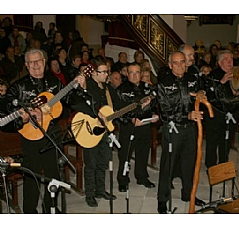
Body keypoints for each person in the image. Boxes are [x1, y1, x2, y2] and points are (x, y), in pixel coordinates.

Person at [2, 48, 86, 213]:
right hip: (30, 135)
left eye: (38, 61)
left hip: (52, 132)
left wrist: (79, 87)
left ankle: (51, 208)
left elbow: (70, 99)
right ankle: (30, 212)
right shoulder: (19, 86)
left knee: (53, 173)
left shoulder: (54, 82)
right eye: (31, 62)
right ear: (26, 65)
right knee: (31, 175)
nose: (36, 65)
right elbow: (5, 106)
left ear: (44, 62)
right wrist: (25, 115)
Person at [156, 51, 205, 214]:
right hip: (173, 129)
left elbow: (200, 93)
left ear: (186, 63)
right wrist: (187, 115)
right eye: (175, 63)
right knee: (167, 165)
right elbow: (165, 112)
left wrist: (201, 94)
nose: (179, 65)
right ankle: (162, 199)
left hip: (190, 129)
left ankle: (188, 194)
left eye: (182, 62)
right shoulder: (163, 83)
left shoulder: (193, 79)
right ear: (170, 66)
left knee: (189, 164)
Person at [68, 58, 118, 207]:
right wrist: (95, 113)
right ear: (94, 73)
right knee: (91, 164)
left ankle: (100, 190)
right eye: (103, 72)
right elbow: (75, 102)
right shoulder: (86, 86)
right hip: (89, 129)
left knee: (103, 161)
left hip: (105, 130)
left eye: (107, 72)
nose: (106, 75)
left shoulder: (107, 88)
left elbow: (117, 105)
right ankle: (90, 194)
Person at [115, 62, 158, 193]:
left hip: (144, 125)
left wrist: (153, 114)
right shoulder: (121, 90)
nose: (134, 75)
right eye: (131, 72)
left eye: (137, 72)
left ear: (141, 74)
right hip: (128, 126)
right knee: (125, 154)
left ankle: (142, 176)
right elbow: (117, 111)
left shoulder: (147, 88)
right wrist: (130, 119)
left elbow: (153, 106)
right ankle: (122, 180)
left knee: (143, 151)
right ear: (127, 74)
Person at [203, 50, 239, 169]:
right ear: (219, 62)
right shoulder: (212, 76)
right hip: (215, 114)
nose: (230, 62)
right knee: (212, 143)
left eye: (231, 59)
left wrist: (238, 92)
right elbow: (210, 95)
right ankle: (211, 167)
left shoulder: (237, 74)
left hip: (231, 113)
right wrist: (222, 82)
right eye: (226, 59)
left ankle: (224, 165)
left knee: (226, 141)